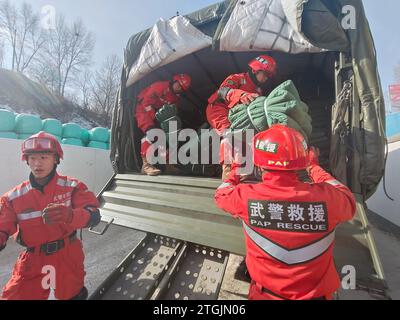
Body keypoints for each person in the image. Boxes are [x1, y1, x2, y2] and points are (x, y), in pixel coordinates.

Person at [215, 125, 356, 300]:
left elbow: (221, 193)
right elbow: (348, 198)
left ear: (259, 165)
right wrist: (314, 167)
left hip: (265, 296)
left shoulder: (246, 197)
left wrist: (236, 169)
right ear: (300, 162)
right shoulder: (329, 200)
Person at [0, 131, 101, 300]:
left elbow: (94, 216)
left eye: (44, 157)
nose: (37, 164)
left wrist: (71, 215)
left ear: (56, 159)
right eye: (32, 158)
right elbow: (3, 226)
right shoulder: (13, 197)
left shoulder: (73, 187)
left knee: (72, 296)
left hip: (67, 256)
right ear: (26, 160)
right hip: (33, 260)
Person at [205, 55, 277, 179]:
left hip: (238, 116)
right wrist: (241, 94)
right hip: (218, 109)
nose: (266, 78)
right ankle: (227, 169)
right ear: (256, 69)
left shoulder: (258, 91)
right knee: (229, 134)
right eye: (265, 74)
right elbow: (222, 91)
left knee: (250, 136)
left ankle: (245, 169)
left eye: (268, 76)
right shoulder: (237, 78)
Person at [135, 73, 192, 176]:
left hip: (157, 114)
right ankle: (146, 165)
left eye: (181, 89)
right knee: (152, 134)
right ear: (174, 81)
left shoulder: (175, 99)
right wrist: (155, 118)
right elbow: (146, 103)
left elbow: (172, 112)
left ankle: (168, 165)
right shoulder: (160, 86)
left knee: (168, 137)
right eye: (178, 85)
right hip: (144, 110)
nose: (178, 88)